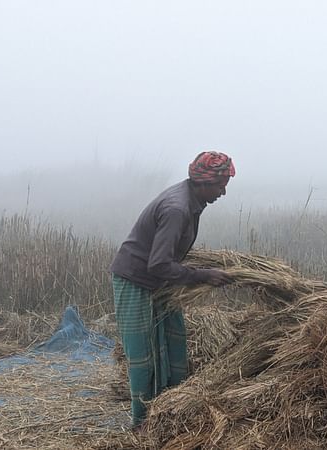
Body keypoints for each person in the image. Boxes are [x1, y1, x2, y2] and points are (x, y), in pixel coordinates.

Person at [109, 151, 235, 429]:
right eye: (221, 184)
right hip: (135, 280)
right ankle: (142, 424)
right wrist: (203, 275)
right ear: (203, 182)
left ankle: (170, 408)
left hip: (160, 282)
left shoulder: (193, 200)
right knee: (143, 355)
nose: (224, 191)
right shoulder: (177, 208)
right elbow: (157, 264)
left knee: (173, 341)